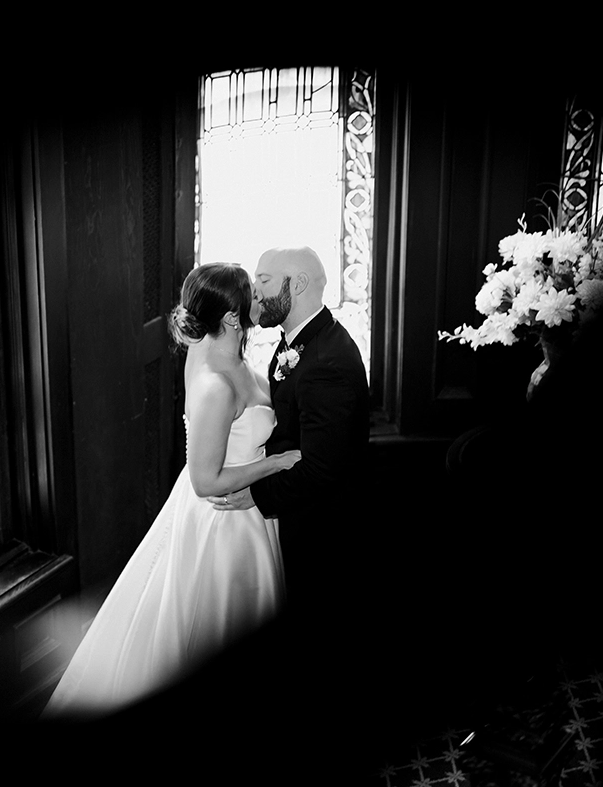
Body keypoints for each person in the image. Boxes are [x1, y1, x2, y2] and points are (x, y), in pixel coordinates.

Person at [41, 262, 300, 719]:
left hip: (251, 511)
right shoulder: (215, 385)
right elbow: (205, 482)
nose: (260, 300)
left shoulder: (222, 353)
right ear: (233, 317)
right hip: (224, 522)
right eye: (253, 296)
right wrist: (275, 464)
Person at [210, 246, 369, 618]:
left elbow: (321, 469)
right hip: (298, 513)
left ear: (297, 284)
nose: (254, 291)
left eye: (264, 280)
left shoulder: (326, 362)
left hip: (321, 532)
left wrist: (255, 494)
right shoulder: (301, 340)